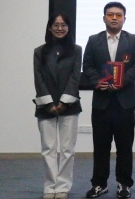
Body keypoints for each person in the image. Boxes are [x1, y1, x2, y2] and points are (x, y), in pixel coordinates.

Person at [82, 2, 135, 199]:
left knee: (124, 146)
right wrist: (97, 81)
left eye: (119, 15)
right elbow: (87, 65)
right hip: (101, 103)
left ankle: (124, 183)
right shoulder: (93, 40)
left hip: (125, 102)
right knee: (101, 146)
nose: (115, 18)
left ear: (125, 19)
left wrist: (121, 82)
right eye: (110, 14)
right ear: (104, 18)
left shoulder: (133, 40)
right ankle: (99, 184)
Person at [33, 13, 83, 199]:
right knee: (48, 148)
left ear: (68, 28)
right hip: (45, 106)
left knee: (67, 149)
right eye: (56, 25)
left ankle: (62, 187)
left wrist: (63, 102)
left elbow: (75, 77)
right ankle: (50, 186)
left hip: (69, 105)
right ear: (50, 27)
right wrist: (49, 103)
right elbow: (38, 78)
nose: (59, 28)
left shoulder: (76, 50)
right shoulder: (39, 51)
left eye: (63, 25)